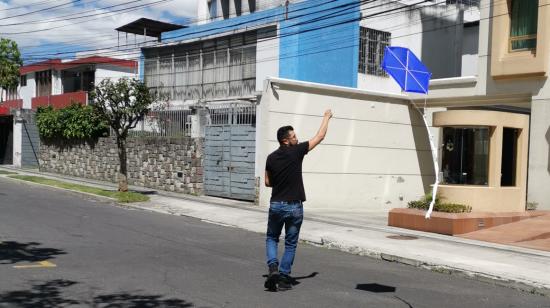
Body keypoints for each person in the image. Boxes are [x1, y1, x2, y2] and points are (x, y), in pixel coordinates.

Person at [263, 109, 333, 291]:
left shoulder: (270, 158)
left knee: (272, 237)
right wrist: (326, 117)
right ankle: (284, 277)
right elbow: (320, 136)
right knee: (291, 243)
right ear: (285, 140)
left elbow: (267, 182)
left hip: (276, 204)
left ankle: (273, 269)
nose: (297, 138)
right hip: (294, 206)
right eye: (294, 136)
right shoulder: (297, 151)